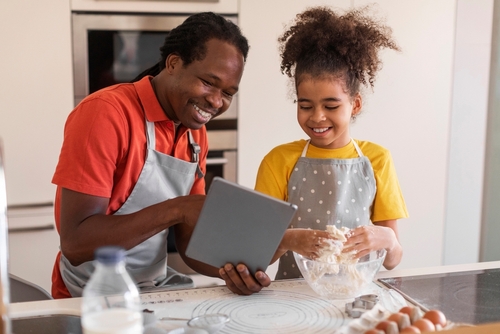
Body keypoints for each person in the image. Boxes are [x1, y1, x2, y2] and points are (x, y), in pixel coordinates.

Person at [51, 12, 271, 298]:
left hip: (150, 292)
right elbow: (76, 242)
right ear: (173, 63)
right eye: (207, 82)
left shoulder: (194, 134)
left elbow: (191, 246)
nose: (216, 101)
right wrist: (178, 208)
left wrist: (234, 270)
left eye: (228, 93)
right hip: (88, 298)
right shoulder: (105, 113)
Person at [255, 6, 409, 280]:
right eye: (305, 105)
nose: (317, 117)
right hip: (292, 298)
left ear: (355, 104)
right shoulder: (278, 160)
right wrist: (289, 239)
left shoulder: (377, 159)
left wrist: (386, 238)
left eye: (331, 105)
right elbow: (257, 254)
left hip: (355, 298)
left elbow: (392, 261)